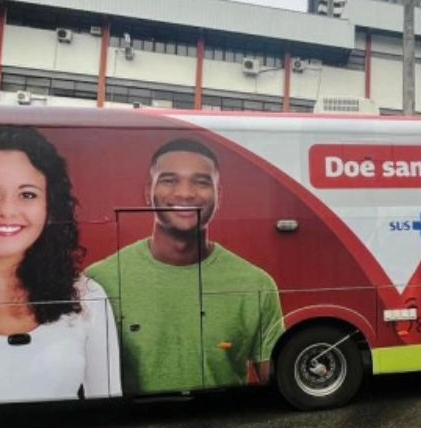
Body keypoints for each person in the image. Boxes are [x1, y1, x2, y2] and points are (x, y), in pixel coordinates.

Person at [0, 125, 121, 405]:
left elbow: (108, 411)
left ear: (49, 208)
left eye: (27, 195)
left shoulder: (87, 296)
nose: (7, 210)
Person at [86, 138, 284, 395]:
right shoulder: (100, 281)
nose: (185, 193)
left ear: (219, 195)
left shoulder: (256, 284)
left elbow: (278, 387)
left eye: (201, 182)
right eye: (169, 180)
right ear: (148, 192)